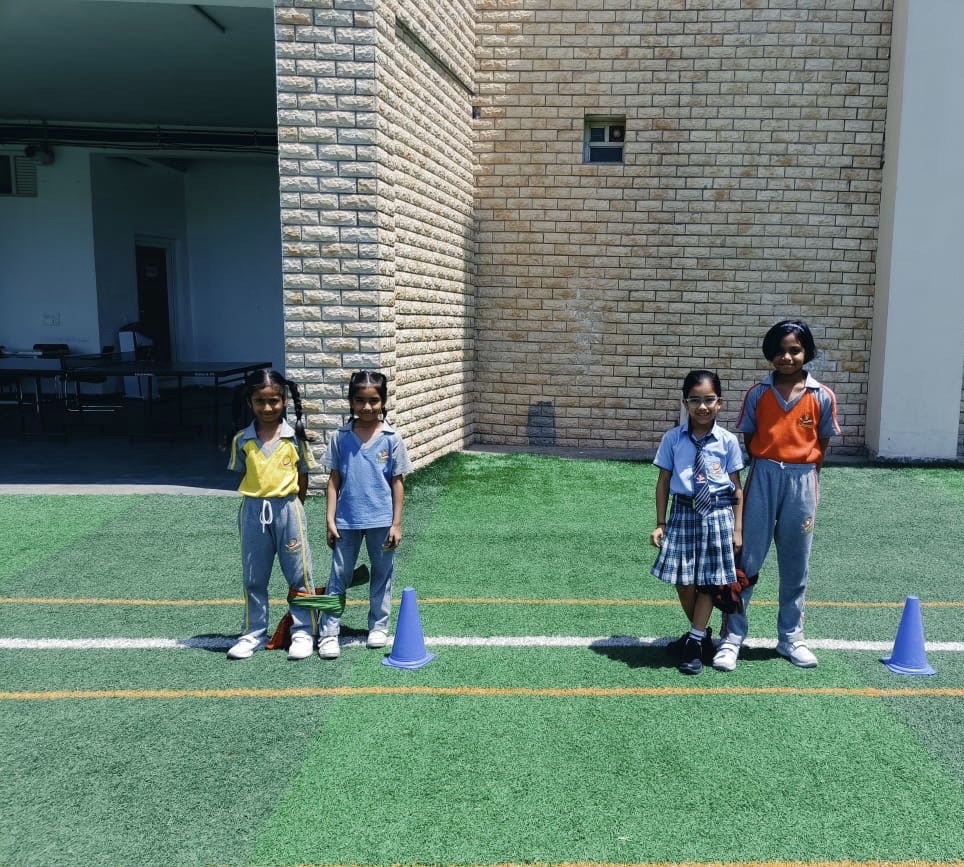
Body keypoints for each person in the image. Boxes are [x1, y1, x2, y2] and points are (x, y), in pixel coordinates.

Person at [713, 319, 839, 672]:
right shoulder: (758, 393)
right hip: (763, 475)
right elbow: (749, 438)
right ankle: (732, 637)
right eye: (780, 351)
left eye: (795, 350)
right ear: (770, 353)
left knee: (796, 563)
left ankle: (791, 637)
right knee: (747, 560)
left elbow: (822, 443)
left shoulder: (822, 396)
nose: (787, 357)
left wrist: (803, 469)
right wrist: (768, 463)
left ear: (806, 352)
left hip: (803, 480)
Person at [650, 370, 744, 674]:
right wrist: (660, 522)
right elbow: (663, 482)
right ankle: (701, 635)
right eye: (694, 400)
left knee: (708, 581)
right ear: (685, 403)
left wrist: (737, 528)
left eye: (709, 400)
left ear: (720, 402)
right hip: (683, 512)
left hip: (717, 514)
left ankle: (693, 641)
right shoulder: (673, 439)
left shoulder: (727, 441)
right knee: (683, 579)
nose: (702, 407)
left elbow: (736, 487)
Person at [318, 370, 413, 659]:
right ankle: (328, 632)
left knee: (382, 574)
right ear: (351, 401)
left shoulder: (392, 439)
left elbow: (397, 482)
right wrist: (330, 520)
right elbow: (333, 481)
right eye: (360, 400)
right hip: (346, 522)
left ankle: (378, 626)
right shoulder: (340, 438)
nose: (367, 407)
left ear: (383, 402)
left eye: (374, 401)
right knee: (338, 575)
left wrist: (396, 523)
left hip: (381, 521)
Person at [225, 369, 317, 661]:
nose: (267, 408)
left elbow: (303, 476)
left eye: (274, 401)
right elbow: (244, 473)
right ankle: (253, 633)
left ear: (284, 400)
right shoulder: (242, 440)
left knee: (299, 574)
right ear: (249, 402)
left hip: (289, 509)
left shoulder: (295, 438)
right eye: (260, 401)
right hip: (253, 511)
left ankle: (303, 632)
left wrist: (295, 507)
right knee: (254, 576)